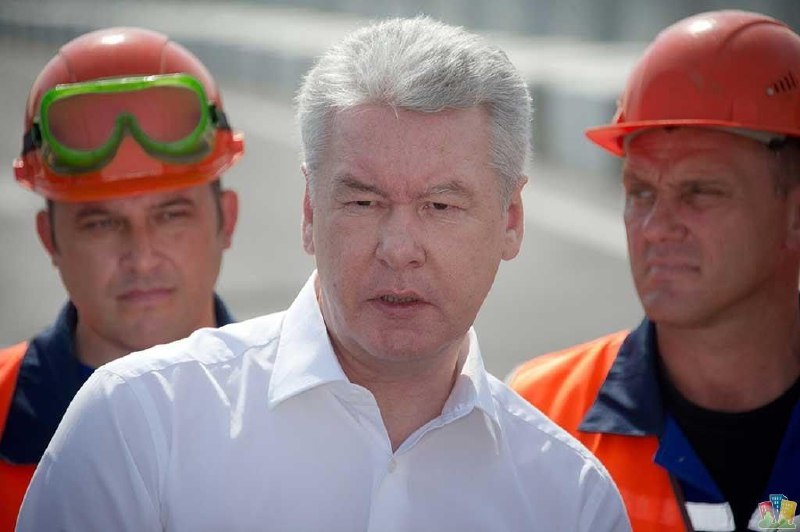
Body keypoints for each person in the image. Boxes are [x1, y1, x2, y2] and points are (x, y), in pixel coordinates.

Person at [16, 16, 630, 532]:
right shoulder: (136, 424)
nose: (398, 249)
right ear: (310, 213)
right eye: (362, 202)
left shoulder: (571, 500)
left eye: (440, 206)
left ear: (511, 220)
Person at [508, 9, 800, 532]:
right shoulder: (539, 413)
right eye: (640, 192)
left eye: (700, 192)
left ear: (794, 213)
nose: (656, 227)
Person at [0, 26, 243, 530]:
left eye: (171, 215)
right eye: (101, 223)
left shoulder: (319, 410)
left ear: (227, 221)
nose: (141, 256)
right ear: (49, 239)